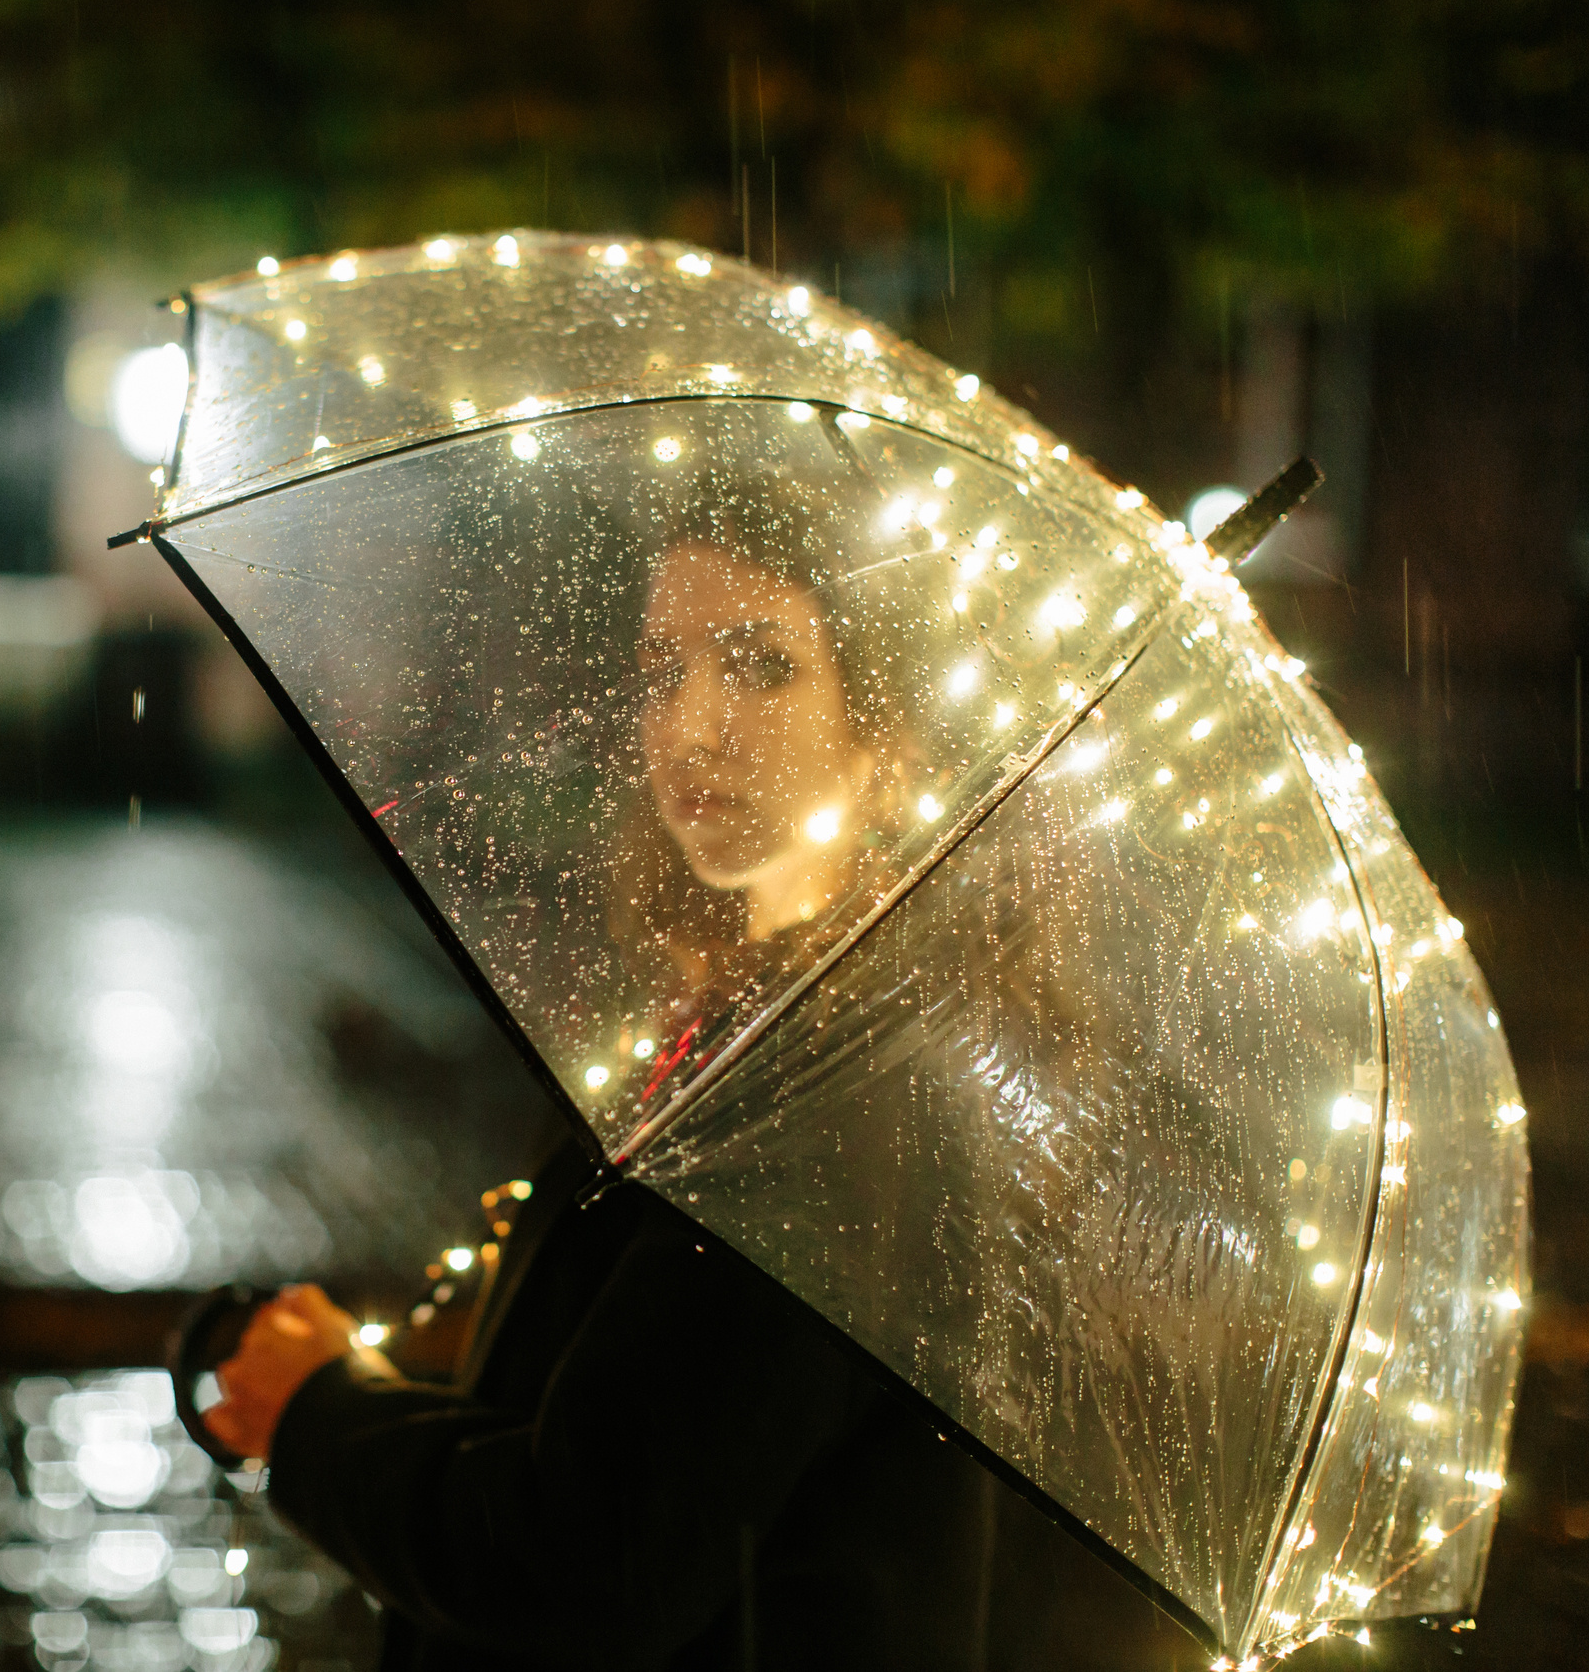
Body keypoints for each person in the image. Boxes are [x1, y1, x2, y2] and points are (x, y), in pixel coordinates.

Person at [204, 487, 1204, 1671]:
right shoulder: (777, 1031)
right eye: (661, 669)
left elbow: (584, 1562)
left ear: (888, 728)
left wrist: (319, 1412)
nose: (691, 727)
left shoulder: (834, 1093)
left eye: (762, 668)